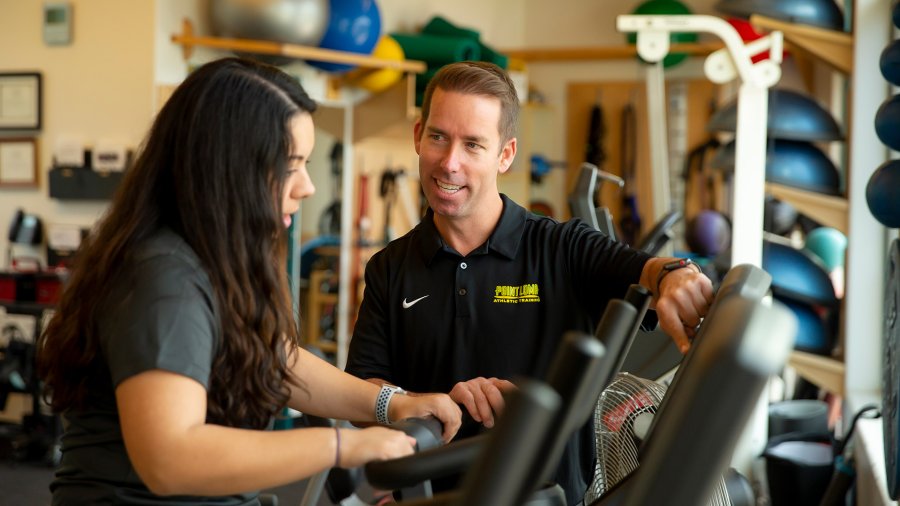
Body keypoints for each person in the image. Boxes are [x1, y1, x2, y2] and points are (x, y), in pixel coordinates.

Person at [35, 57, 461, 506]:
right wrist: (340, 447)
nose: (307, 186)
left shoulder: (213, 258)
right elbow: (169, 458)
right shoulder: (164, 278)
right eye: (290, 165)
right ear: (228, 168)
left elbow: (274, 358)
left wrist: (393, 404)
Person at [346, 61, 714, 505]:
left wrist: (675, 275)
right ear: (418, 135)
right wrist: (426, 401)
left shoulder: (561, 247)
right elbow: (362, 398)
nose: (450, 162)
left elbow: (645, 268)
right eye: (438, 137)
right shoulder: (390, 267)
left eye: (473, 145)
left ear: (505, 154)